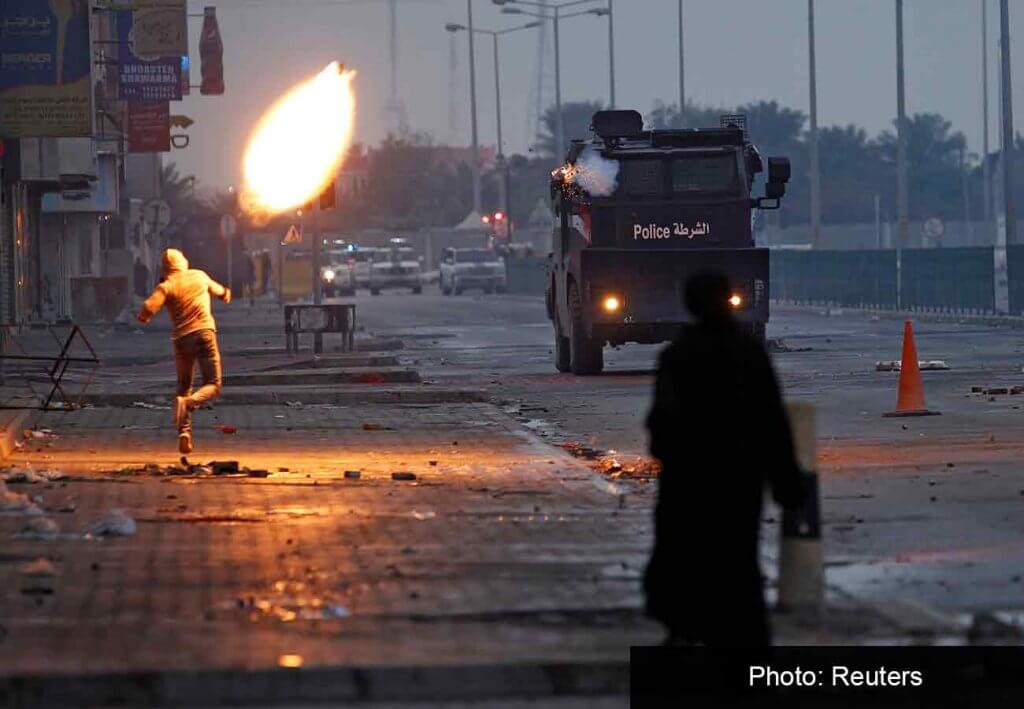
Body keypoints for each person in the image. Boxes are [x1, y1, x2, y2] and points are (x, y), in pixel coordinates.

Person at [644, 271, 804, 646]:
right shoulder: (748, 355)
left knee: (683, 557)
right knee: (738, 561)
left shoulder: (677, 356)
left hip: (688, 481)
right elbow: (772, 423)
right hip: (740, 479)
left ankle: (685, 634)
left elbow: (661, 426)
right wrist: (788, 484)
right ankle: (743, 651)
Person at [137, 248, 231, 455]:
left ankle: (184, 433)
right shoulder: (199, 275)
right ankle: (189, 403)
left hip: (182, 340)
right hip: (204, 334)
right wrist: (226, 294)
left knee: (183, 386)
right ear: (183, 262)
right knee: (213, 384)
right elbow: (220, 291)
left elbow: (148, 306)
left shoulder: (167, 286)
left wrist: (144, 317)